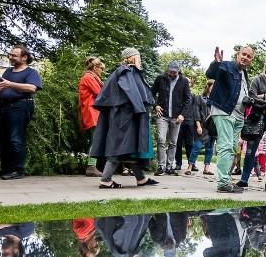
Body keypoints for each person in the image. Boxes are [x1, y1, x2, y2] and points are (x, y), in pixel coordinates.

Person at [90, 48, 160, 189]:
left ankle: (141, 178)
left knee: (130, 147)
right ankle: (106, 180)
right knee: (120, 147)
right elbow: (131, 93)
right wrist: (140, 109)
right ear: (132, 57)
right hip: (125, 116)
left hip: (127, 115)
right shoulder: (126, 71)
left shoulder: (126, 71)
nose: (140, 59)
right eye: (138, 57)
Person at [206, 46, 254, 193]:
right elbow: (211, 74)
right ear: (238, 55)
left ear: (251, 60)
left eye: (248, 56)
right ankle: (223, 183)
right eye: (243, 54)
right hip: (224, 110)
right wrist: (216, 63)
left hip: (238, 115)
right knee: (226, 145)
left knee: (232, 148)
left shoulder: (244, 73)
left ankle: (226, 179)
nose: (245, 57)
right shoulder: (226, 65)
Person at [0, 45, 43, 180]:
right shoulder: (7, 72)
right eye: (10, 55)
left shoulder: (31, 73)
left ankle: (17, 170)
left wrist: (10, 84)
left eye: (14, 56)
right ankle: (6, 169)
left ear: (24, 57)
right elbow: (1, 88)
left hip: (20, 106)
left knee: (15, 138)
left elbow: (32, 88)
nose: (10, 57)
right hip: (2, 107)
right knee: (0, 139)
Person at [237, 55, 266, 192]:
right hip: (256, 116)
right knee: (250, 151)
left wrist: (263, 97)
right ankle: (244, 180)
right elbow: (252, 97)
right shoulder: (257, 79)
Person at [150, 61, 192, 176]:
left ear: (178, 71)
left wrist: (183, 114)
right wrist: (156, 105)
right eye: (170, 72)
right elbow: (152, 93)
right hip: (162, 115)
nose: (172, 74)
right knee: (161, 140)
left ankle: (169, 166)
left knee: (173, 142)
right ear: (167, 70)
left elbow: (187, 99)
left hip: (176, 116)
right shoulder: (160, 79)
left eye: (174, 72)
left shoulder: (183, 81)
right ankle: (161, 166)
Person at [79, 56, 105, 177]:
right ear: (95, 68)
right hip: (92, 112)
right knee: (95, 139)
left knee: (97, 139)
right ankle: (91, 166)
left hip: (94, 112)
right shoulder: (89, 78)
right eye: (101, 69)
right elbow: (100, 93)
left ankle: (94, 166)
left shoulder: (92, 77)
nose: (102, 72)